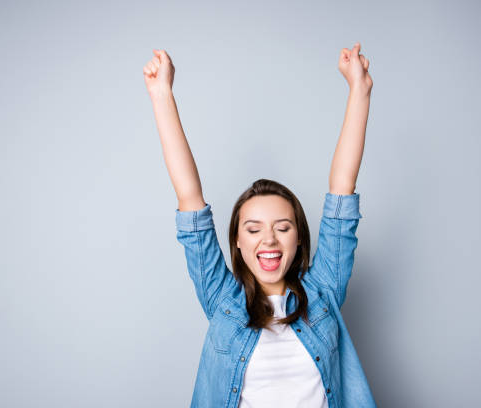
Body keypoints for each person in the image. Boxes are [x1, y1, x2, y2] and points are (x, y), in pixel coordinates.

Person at [143, 44, 376, 408]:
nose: (269, 239)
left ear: (299, 238)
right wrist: (161, 96)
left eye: (283, 227)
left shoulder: (324, 291)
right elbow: (189, 198)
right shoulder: (223, 300)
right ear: (237, 241)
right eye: (253, 229)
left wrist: (359, 91)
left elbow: (342, 189)